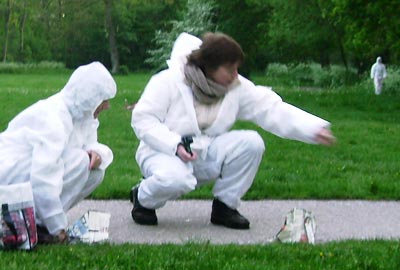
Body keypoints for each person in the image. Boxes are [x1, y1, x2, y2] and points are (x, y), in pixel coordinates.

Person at [130, 32, 335, 230]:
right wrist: (174, 145)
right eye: (229, 68)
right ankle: (143, 198)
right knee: (175, 180)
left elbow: (270, 108)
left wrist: (313, 129)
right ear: (209, 66)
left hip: (203, 152)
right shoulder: (167, 81)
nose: (235, 74)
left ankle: (224, 207)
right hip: (161, 153)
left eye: (237, 68)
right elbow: (143, 119)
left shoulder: (236, 87)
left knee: (251, 143)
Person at [0, 61, 117, 243]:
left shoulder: (83, 116)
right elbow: (43, 178)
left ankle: (41, 224)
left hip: (23, 173)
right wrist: (58, 227)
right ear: (90, 98)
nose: (107, 106)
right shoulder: (53, 118)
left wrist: (98, 153)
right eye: (104, 100)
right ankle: (42, 224)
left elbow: (91, 144)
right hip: (8, 174)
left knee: (95, 172)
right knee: (79, 161)